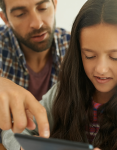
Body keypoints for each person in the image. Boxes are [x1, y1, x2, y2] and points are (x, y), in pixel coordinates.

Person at [1, 0, 117, 149]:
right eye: (89, 56)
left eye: (115, 57)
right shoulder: (62, 92)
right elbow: (11, 131)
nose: (101, 69)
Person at [0, 0, 70, 143]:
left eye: (43, 8)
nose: (37, 24)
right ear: (5, 19)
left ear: (55, 4)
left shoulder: (76, 48)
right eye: (20, 14)